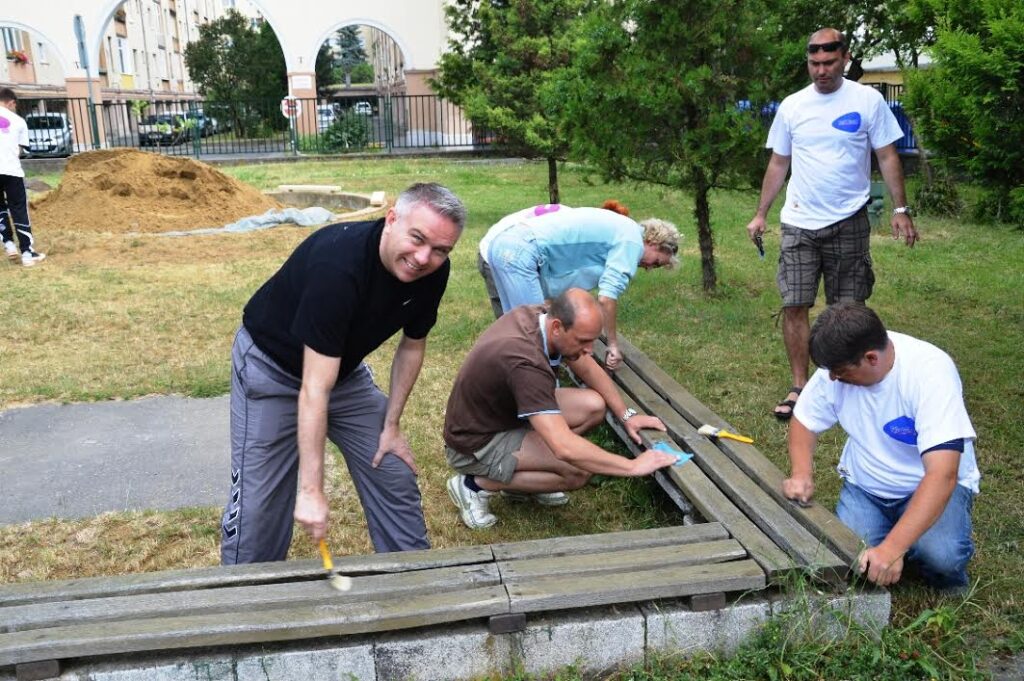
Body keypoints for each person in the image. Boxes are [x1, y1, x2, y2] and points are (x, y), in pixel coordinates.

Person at [220, 182, 466, 564]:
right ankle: (245, 599)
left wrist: (392, 425)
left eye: (439, 250)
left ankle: (413, 582)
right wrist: (312, 490)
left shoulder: (434, 271)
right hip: (272, 370)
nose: (423, 258)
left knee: (392, 469)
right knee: (259, 507)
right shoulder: (338, 265)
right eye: (417, 239)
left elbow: (413, 344)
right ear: (391, 219)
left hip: (342, 374)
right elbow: (313, 390)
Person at [744, 28, 918, 420]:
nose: (820, 71)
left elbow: (888, 156)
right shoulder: (792, 106)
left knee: (848, 308)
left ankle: (844, 379)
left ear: (845, 58)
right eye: (814, 63)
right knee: (795, 304)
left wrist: (900, 209)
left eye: (828, 63)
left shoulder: (868, 100)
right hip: (799, 222)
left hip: (849, 220)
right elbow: (779, 162)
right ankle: (800, 386)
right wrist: (761, 213)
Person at [443, 288, 679, 528]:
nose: (589, 349)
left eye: (592, 340)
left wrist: (626, 415)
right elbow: (565, 448)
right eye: (583, 341)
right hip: (476, 444)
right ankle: (473, 485)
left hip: (506, 415)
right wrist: (632, 466)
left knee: (593, 406)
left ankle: (525, 479)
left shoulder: (541, 317)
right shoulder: (524, 361)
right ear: (557, 327)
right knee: (577, 471)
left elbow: (585, 366)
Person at [783, 303, 979, 590]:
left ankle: (940, 573)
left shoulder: (931, 373)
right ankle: (903, 539)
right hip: (867, 487)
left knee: (942, 557)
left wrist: (891, 550)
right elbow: (804, 420)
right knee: (848, 554)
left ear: (871, 358)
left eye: (839, 372)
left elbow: (942, 475)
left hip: (926, 485)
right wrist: (801, 473)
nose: (833, 379)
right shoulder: (836, 367)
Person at [478, 201, 679, 371]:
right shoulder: (632, 241)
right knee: (536, 339)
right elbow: (607, 297)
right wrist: (613, 345)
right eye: (656, 262)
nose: (649, 268)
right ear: (654, 242)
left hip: (503, 245)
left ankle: (501, 379)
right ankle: (541, 401)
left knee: (513, 328)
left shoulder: (621, 228)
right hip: (520, 253)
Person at [0, 88, 45, 266]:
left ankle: (9, 244)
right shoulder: (18, 121)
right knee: (19, 209)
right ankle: (27, 253)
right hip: (11, 171)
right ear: (11, 102)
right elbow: (19, 150)